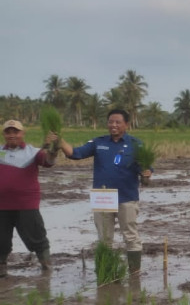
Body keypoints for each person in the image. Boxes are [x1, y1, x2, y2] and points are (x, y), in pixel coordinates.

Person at [60, 109, 152, 273]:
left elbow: (145, 167)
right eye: (111, 122)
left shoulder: (136, 144)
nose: (113, 125)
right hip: (103, 198)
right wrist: (59, 141)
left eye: (118, 122)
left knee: (130, 236)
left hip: (127, 197)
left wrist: (147, 173)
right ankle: (106, 272)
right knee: (104, 238)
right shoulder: (98, 142)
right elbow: (75, 153)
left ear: (127, 124)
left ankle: (134, 271)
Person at [1, 120, 59, 277]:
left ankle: (46, 267)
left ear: (23, 133)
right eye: (8, 132)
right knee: (1, 239)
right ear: (4, 134)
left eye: (16, 131)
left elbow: (49, 161)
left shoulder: (33, 152)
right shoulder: (0, 151)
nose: (12, 135)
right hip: (2, 205)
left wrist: (52, 147)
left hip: (26, 204)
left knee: (37, 236)